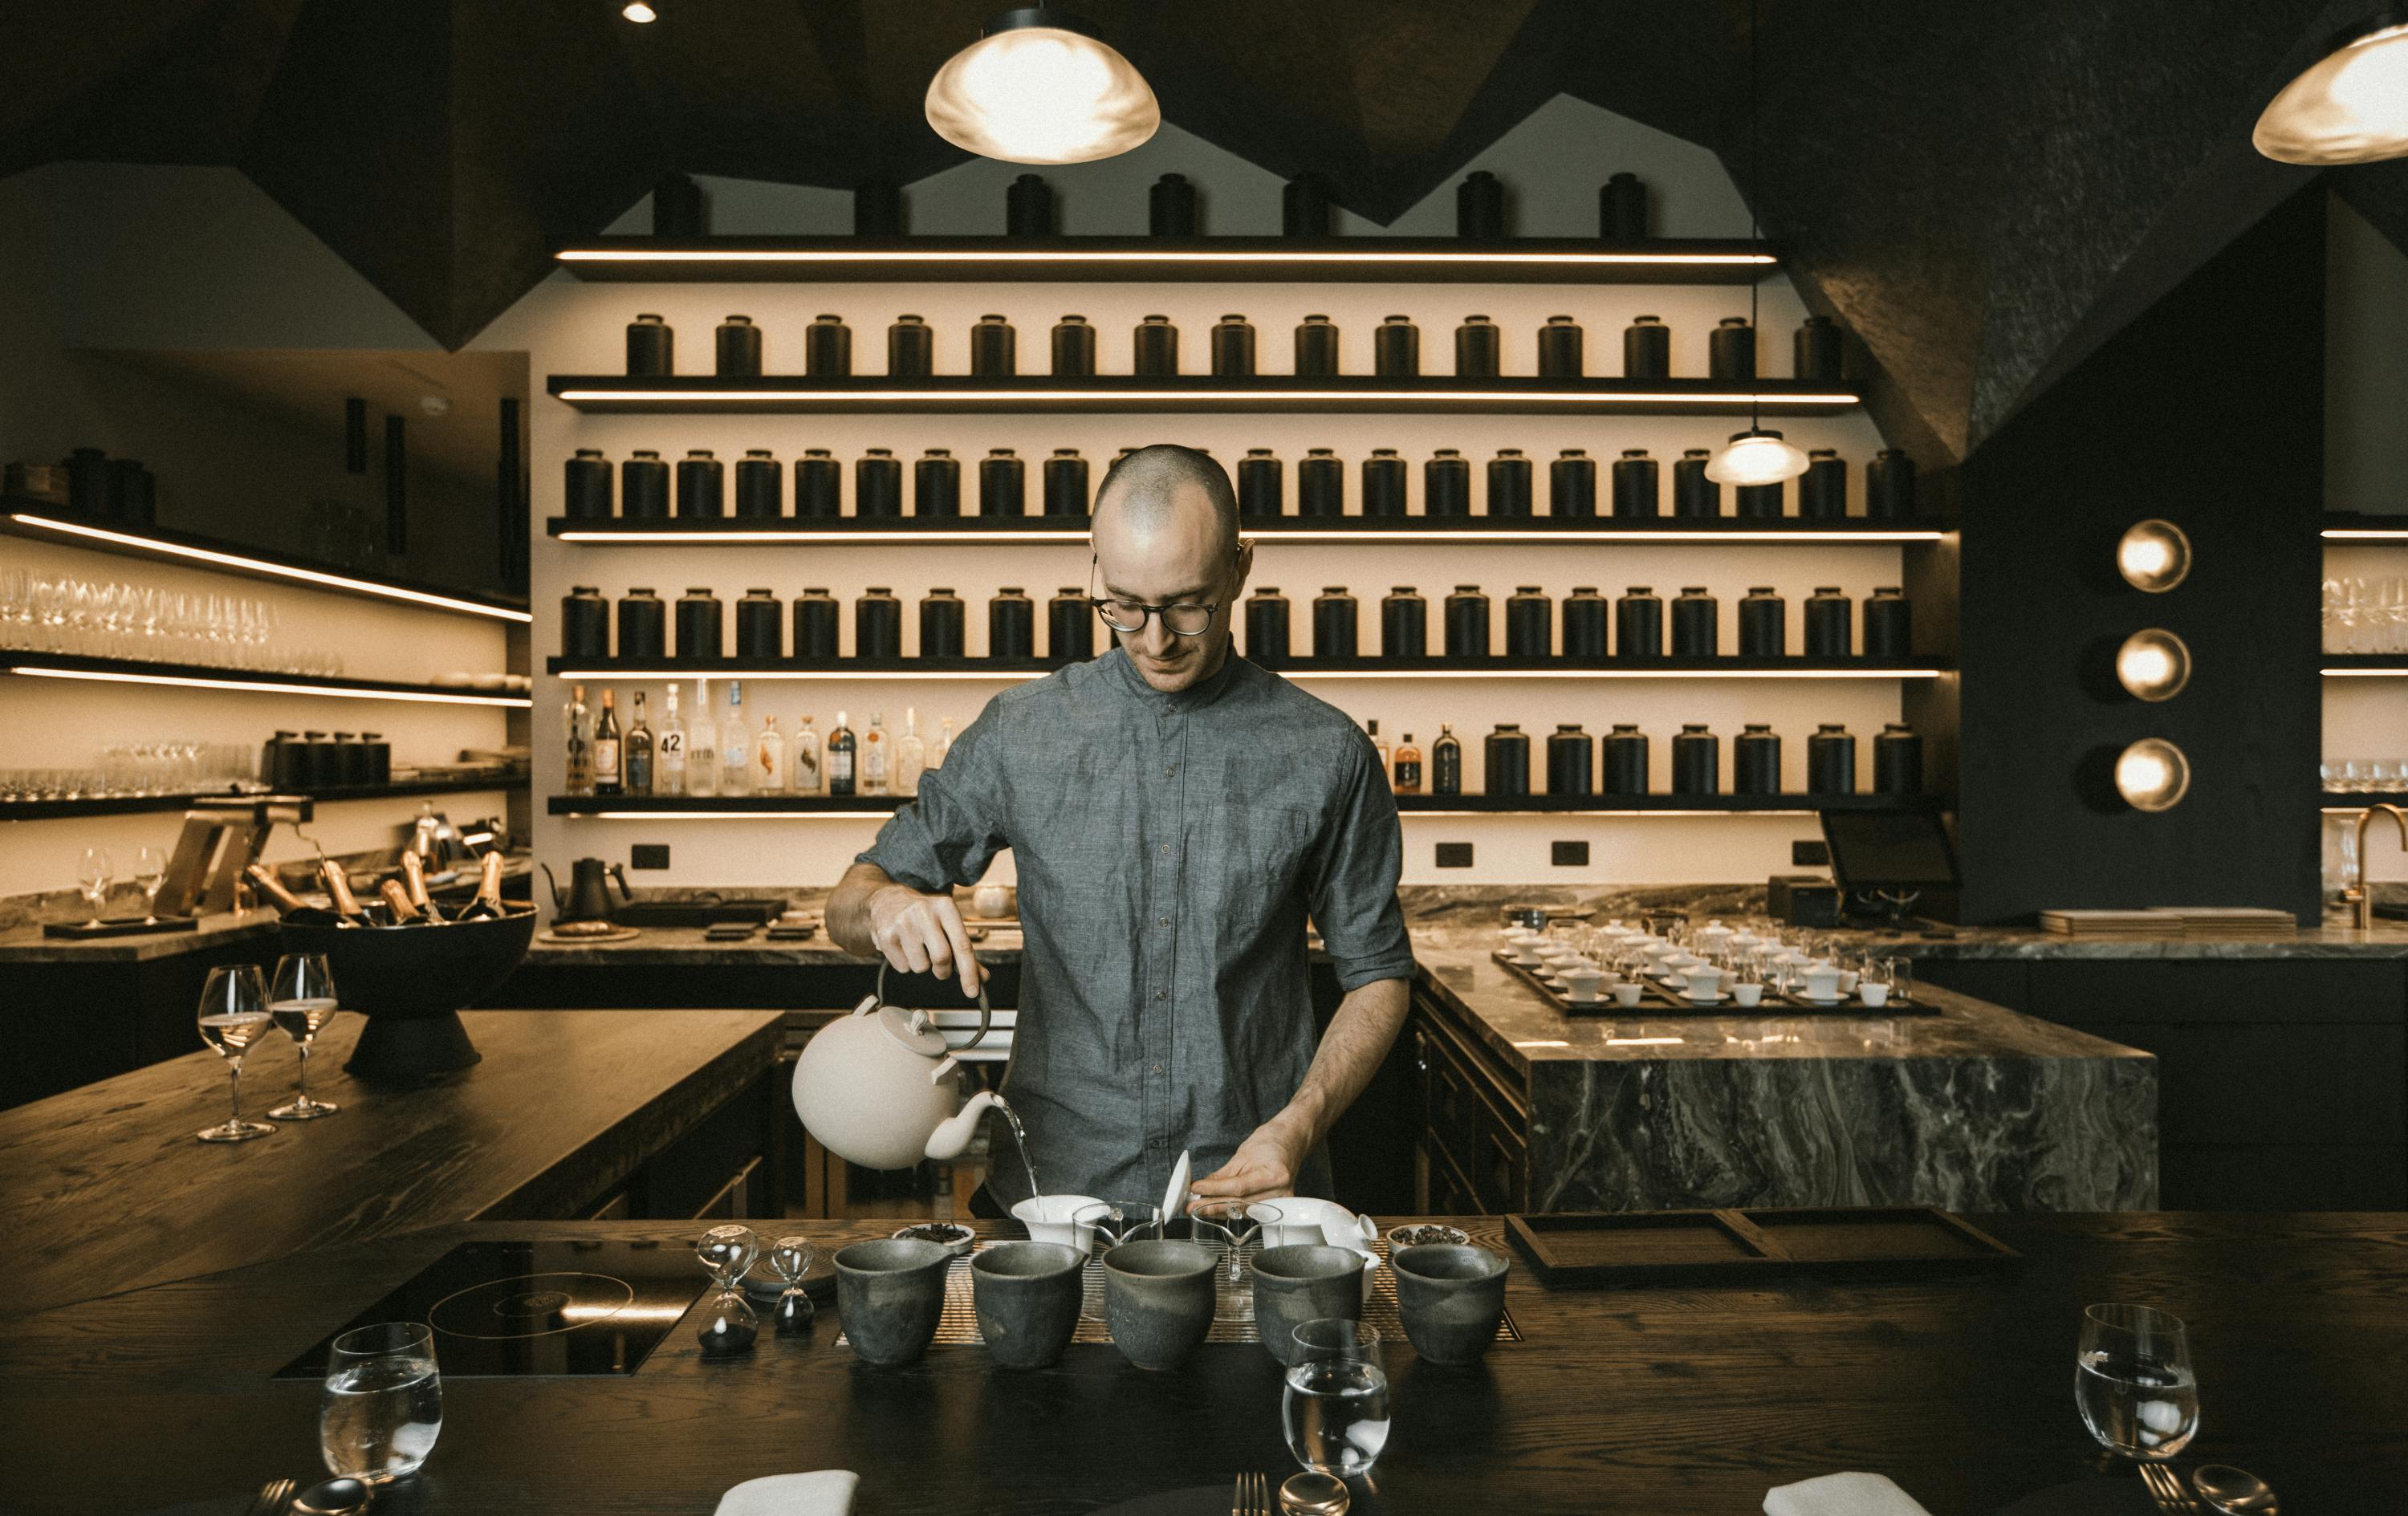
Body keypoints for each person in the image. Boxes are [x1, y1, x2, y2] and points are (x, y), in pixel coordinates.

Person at [827, 443, 1413, 1211]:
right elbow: (848, 900)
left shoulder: (1326, 752)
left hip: (1250, 1195)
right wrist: (883, 905)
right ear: (1095, 566)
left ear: (1240, 570)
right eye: (1125, 606)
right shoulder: (1020, 732)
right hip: (1050, 1198)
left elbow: (1379, 976)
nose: (1155, 639)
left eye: (1188, 605)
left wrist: (1299, 1126)